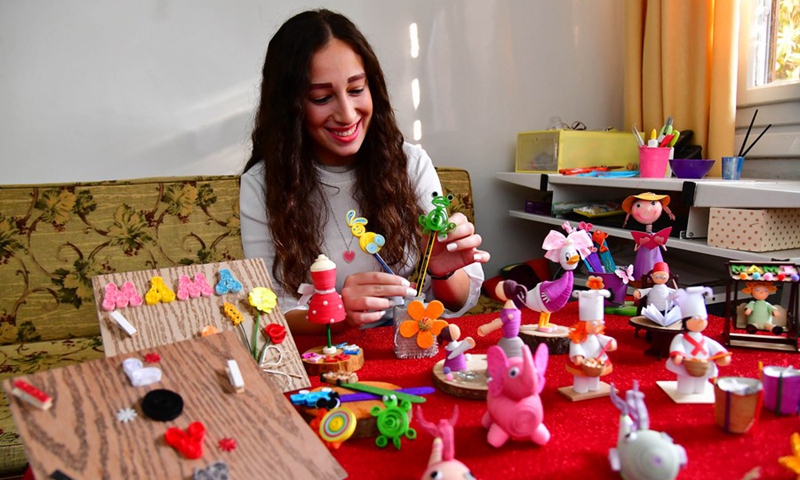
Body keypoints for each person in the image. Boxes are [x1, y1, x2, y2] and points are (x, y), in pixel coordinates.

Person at [239, 9, 489, 334]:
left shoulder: (410, 163)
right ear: (289, 108)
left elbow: (456, 301)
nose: (346, 113)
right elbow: (269, 312)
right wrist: (339, 310)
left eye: (356, 90)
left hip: (408, 348)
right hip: (323, 359)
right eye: (322, 97)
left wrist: (441, 271)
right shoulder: (262, 185)